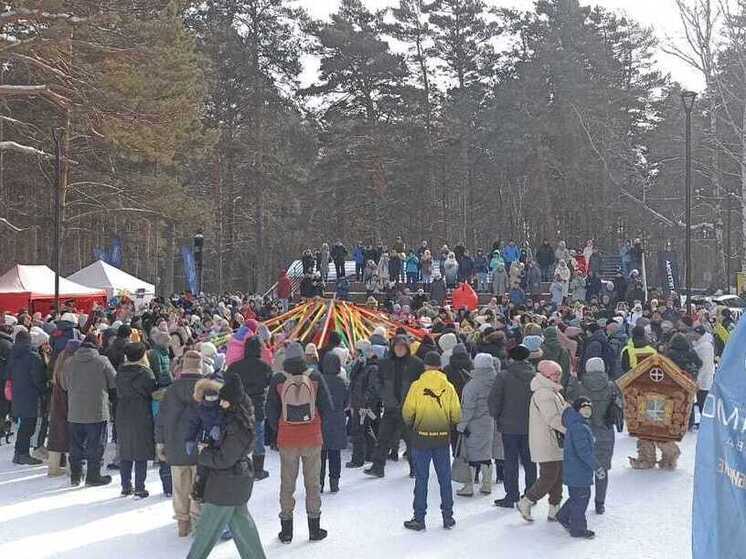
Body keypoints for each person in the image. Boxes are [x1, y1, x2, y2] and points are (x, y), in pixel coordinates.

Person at [186, 373, 267, 559]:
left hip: (226, 485)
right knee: (244, 528)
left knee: (205, 533)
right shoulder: (237, 419)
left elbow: (224, 459)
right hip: (234, 483)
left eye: (224, 401)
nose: (220, 404)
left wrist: (203, 453)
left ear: (232, 402)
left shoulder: (236, 426)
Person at [266, 341, 331, 543]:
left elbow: (270, 412)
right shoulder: (314, 376)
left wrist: (280, 430)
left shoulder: (278, 378)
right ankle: (314, 529)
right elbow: (328, 406)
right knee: (312, 484)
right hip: (312, 438)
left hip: (287, 440)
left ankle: (286, 531)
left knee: (287, 485)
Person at [401, 351, 461, 531]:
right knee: (444, 478)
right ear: (440, 366)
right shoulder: (448, 387)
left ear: (425, 365)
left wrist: (413, 425)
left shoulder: (416, 386)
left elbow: (407, 412)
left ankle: (419, 518)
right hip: (442, 438)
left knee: (421, 478)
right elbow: (456, 414)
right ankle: (448, 516)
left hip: (421, 438)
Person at [155, 350, 204, 537]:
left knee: (179, 487)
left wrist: (160, 442)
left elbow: (161, 419)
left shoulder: (172, 390)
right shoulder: (205, 388)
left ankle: (182, 524)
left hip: (175, 445)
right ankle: (197, 522)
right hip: (200, 447)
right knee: (198, 487)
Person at [364, 335, 425, 478]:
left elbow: (422, 384)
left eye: (402, 347)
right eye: (397, 346)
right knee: (383, 438)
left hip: (408, 408)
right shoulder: (385, 363)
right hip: (390, 407)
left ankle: (415, 468)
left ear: (407, 348)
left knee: (411, 441)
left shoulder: (416, 364)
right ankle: (378, 467)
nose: (399, 349)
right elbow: (377, 382)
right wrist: (385, 396)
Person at [61, 333, 116, 486]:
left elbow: (64, 385)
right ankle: (93, 475)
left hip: (75, 411)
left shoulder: (69, 362)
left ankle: (75, 475)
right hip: (97, 410)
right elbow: (113, 382)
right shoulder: (102, 361)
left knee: (75, 445)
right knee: (96, 444)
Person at [566, 357, 619, 514]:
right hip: (605, 431)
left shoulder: (580, 386)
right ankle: (600, 503)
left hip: (584, 431)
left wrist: (572, 379)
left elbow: (569, 399)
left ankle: (580, 501)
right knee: (602, 468)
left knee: (583, 466)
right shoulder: (611, 386)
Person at [517, 360, 567, 522]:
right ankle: (526, 501)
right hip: (546, 441)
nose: (557, 377)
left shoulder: (552, 391)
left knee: (557, 476)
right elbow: (553, 419)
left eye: (559, 373)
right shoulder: (544, 393)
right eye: (554, 374)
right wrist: (571, 430)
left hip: (554, 441)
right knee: (549, 476)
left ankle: (554, 508)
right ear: (545, 375)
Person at [489, 344, 537, 508]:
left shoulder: (504, 376)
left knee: (510, 461)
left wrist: (496, 415)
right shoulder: (535, 376)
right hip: (530, 425)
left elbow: (495, 399)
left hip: (508, 425)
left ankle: (511, 495)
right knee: (530, 461)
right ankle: (531, 494)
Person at [556, 397, 604, 539]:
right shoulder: (579, 427)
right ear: (577, 410)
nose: (587, 411)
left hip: (575, 469)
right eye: (584, 408)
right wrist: (597, 467)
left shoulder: (578, 424)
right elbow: (583, 451)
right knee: (581, 499)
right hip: (579, 470)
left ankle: (563, 515)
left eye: (589, 408)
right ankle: (578, 529)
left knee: (577, 497)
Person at [227, 337, 273, 480]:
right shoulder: (264, 367)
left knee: (239, 437)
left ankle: (239, 467)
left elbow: (227, 384)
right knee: (258, 438)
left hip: (239, 407)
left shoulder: (234, 367)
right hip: (257, 407)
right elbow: (269, 384)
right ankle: (258, 470)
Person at [115, 342, 156, 498]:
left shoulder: (120, 372)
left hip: (123, 410)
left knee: (125, 449)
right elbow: (151, 391)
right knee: (141, 450)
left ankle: (125, 486)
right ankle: (140, 487)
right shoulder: (146, 373)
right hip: (141, 411)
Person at [455, 353, 497, 497]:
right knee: (485, 454)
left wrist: (461, 425)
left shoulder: (473, 385)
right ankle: (486, 484)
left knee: (470, 456)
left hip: (474, 425)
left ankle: (469, 486)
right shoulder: (495, 380)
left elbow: (468, 408)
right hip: (490, 423)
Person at [7, 329, 47, 465]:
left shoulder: (12, 355)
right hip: (31, 395)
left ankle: (19, 453)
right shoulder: (33, 356)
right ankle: (22, 454)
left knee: (23, 425)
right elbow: (38, 379)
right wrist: (44, 390)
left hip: (17, 394)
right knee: (28, 426)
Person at [47, 340, 80, 476]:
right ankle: (71, 469)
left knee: (56, 436)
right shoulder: (72, 364)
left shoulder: (60, 359)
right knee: (71, 437)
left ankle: (53, 468)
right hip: (69, 403)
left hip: (56, 403)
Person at [319, 352, 348, 493]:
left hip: (321, 421)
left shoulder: (319, 381)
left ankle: (319, 482)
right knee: (335, 454)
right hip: (337, 420)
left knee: (320, 455)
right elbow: (346, 402)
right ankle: (334, 482)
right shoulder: (341, 382)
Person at [692, 325, 715, 425]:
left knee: (703, 402)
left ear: (698, 333)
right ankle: (704, 421)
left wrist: (699, 379)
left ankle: (706, 422)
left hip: (704, 380)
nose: (693, 335)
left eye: (694, 333)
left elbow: (704, 365)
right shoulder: (701, 344)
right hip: (703, 378)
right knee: (701, 400)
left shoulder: (705, 347)